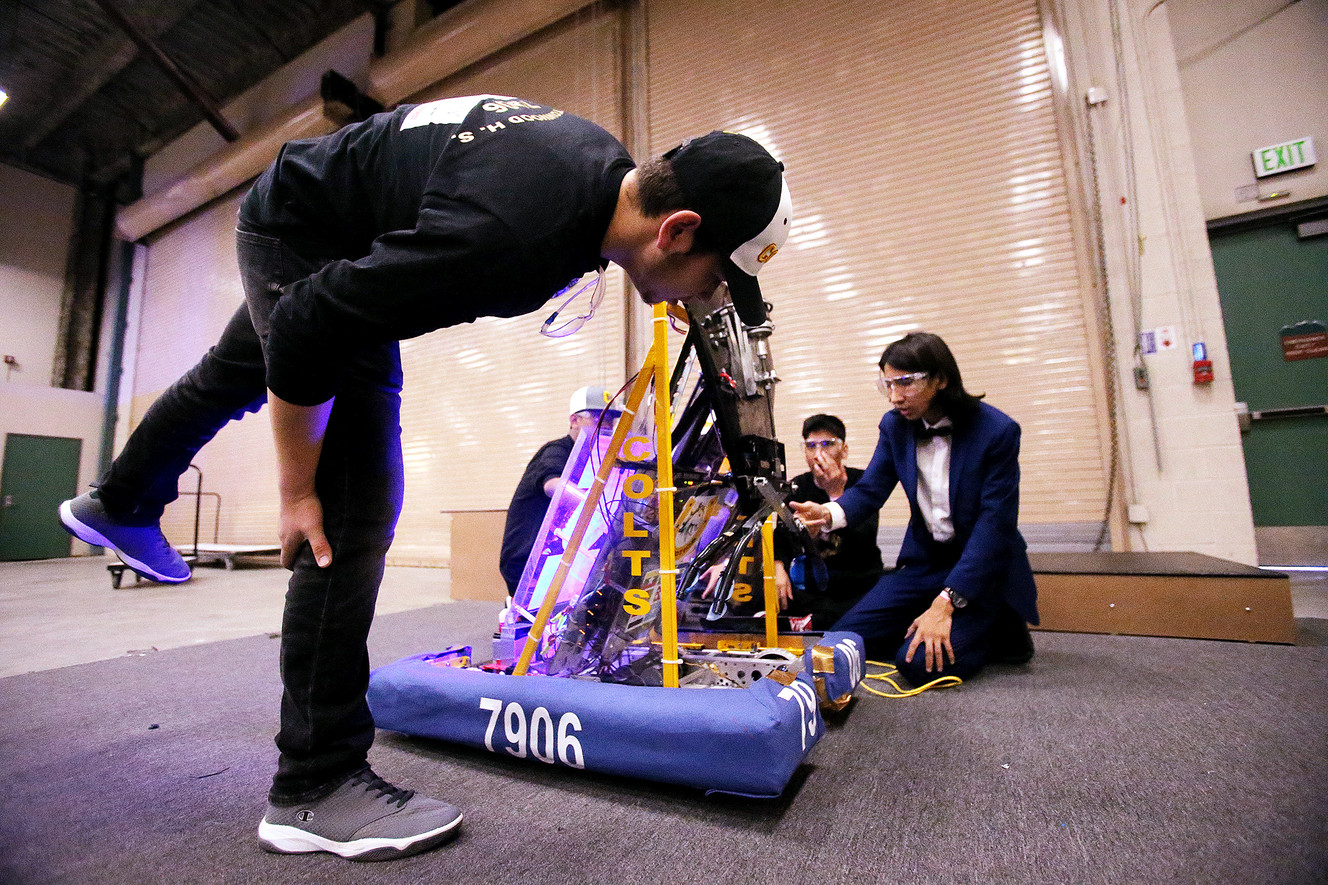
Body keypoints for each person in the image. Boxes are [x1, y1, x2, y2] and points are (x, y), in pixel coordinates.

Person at [58, 94, 793, 862]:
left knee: (239, 370)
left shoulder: (593, 168)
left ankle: (120, 498)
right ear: (677, 230)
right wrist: (296, 489)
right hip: (308, 231)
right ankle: (313, 785)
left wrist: (666, 282)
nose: (705, 296)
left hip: (314, 208)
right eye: (714, 276)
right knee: (352, 501)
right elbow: (311, 323)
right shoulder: (515, 237)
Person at [790, 331, 1037, 687]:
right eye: (887, 384)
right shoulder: (895, 426)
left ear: (941, 379)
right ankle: (929, 624)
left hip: (981, 568)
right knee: (845, 640)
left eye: (905, 383)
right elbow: (871, 490)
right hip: (926, 562)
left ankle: (997, 626)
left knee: (919, 665)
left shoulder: (997, 431)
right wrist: (828, 514)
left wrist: (946, 603)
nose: (895, 396)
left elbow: (994, 525)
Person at [498, 385, 614, 599]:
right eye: (598, 418)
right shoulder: (556, 451)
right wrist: (590, 501)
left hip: (560, 559)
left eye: (610, 420)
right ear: (574, 420)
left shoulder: (595, 456)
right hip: (529, 563)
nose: (606, 425)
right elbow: (553, 485)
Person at [771, 414, 884, 629]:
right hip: (811, 586)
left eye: (827, 444)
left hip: (856, 582)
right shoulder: (797, 486)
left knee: (864, 614)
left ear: (844, 450)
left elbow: (864, 537)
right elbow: (782, 537)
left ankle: (814, 623)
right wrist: (778, 568)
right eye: (810, 446)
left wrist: (835, 492)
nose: (818, 454)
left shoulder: (862, 482)